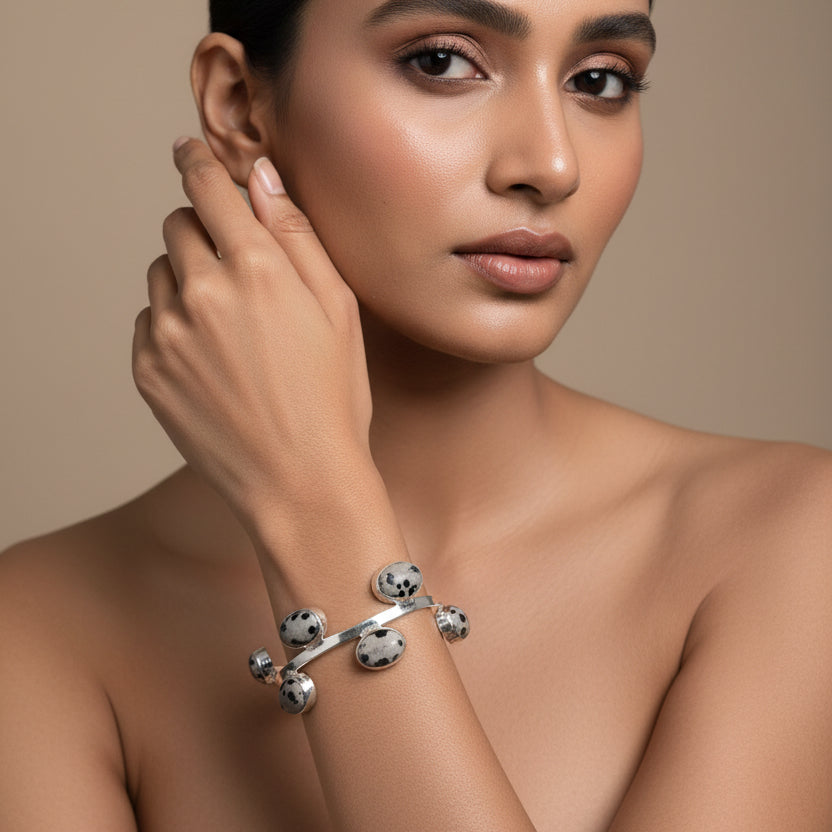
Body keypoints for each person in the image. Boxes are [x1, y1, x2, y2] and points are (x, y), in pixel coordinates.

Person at [1, 0, 830, 829]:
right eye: (441, 62)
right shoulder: (40, 630)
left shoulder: (790, 539)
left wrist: (316, 510)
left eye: (599, 80)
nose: (551, 163)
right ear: (237, 105)